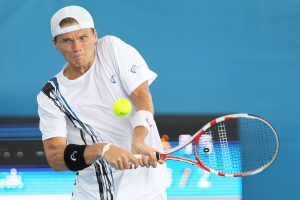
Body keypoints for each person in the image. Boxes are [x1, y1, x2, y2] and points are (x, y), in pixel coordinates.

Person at [37, 5, 168, 200]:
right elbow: (56, 158)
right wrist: (102, 150)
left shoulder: (111, 48)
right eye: (67, 40)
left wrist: (139, 139)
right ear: (56, 43)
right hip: (99, 194)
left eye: (83, 37)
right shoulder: (51, 96)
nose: (77, 48)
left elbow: (142, 95)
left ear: (94, 35)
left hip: (152, 189)